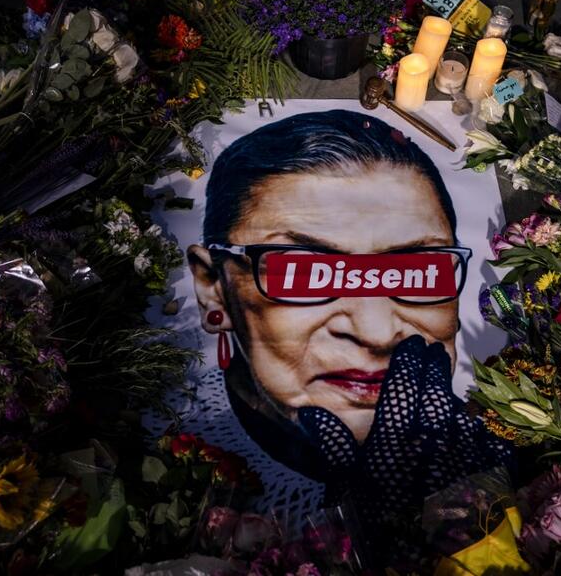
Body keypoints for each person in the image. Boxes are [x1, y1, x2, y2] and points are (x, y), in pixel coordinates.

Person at [166, 110, 511, 559]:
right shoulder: (169, 471)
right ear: (215, 287)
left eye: (415, 274)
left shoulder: (514, 440)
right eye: (305, 274)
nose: (375, 330)